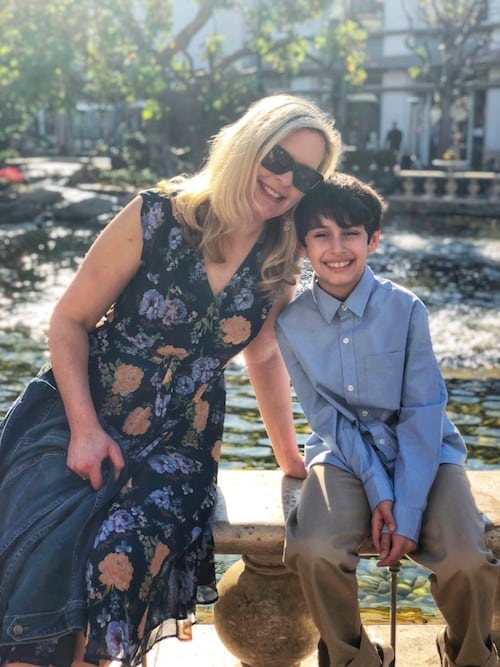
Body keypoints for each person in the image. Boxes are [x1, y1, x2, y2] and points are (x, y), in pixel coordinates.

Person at [0, 94, 341, 667]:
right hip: (82, 411)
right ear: (249, 144)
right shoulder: (155, 217)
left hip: (181, 441)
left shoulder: (280, 262)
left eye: (304, 174)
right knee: (43, 562)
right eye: (278, 158)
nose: (285, 180)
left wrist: (290, 459)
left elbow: (262, 360)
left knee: (119, 561)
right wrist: (84, 430)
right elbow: (69, 321)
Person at [275, 173, 499, 667]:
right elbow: (325, 417)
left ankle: (466, 654)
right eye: (321, 234)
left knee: (467, 556)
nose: (337, 248)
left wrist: (408, 509)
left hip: (426, 454)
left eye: (351, 233)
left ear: (373, 239)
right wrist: (380, 490)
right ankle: (355, 658)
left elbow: (423, 414)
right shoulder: (291, 325)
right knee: (311, 546)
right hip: (343, 454)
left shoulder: (406, 309)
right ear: (301, 245)